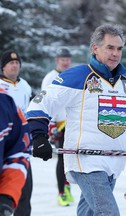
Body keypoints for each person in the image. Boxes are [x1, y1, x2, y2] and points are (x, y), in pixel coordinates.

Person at [26, 24, 126, 216]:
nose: (115, 53)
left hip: (112, 164)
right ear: (95, 48)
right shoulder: (76, 76)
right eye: (110, 47)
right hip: (86, 162)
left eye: (119, 48)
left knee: (89, 213)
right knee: (108, 213)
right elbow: (39, 104)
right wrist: (39, 137)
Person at [0, 50, 33, 216]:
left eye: (17, 63)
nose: (15, 65)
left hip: (20, 143)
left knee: (25, 193)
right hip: (4, 141)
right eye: (11, 63)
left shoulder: (25, 86)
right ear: (3, 67)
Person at [41, 47, 74, 206]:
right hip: (59, 125)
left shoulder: (72, 75)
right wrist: (50, 124)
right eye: (62, 59)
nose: (65, 62)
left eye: (67, 59)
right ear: (57, 61)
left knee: (71, 159)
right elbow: (45, 102)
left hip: (72, 124)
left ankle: (67, 187)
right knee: (62, 159)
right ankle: (61, 192)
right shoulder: (50, 77)